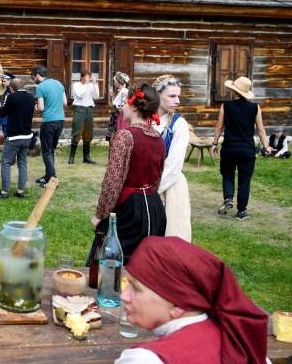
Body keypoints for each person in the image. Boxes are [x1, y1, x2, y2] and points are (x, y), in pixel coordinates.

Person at [116, 236, 269, 364]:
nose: (124, 296)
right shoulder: (241, 343)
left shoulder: (145, 360)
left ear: (178, 305)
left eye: (135, 288)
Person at [93, 84, 166, 263]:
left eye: (125, 102)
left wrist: (100, 216)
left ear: (133, 106)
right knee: (145, 265)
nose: (122, 107)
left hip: (130, 210)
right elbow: (157, 176)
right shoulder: (157, 136)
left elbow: (113, 180)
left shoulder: (125, 136)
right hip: (155, 207)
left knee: (112, 263)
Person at [211, 76, 273, 220]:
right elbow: (261, 129)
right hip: (247, 149)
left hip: (229, 148)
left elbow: (219, 127)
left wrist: (214, 144)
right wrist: (266, 146)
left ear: (234, 91)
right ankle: (241, 211)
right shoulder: (255, 107)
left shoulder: (225, 106)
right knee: (244, 180)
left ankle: (228, 198)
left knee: (228, 175)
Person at [153, 75, 191, 242]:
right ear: (158, 95)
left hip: (169, 185)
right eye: (172, 96)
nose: (177, 101)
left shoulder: (178, 124)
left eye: (178, 96)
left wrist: (152, 191)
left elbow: (174, 164)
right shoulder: (144, 120)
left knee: (168, 235)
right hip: (142, 183)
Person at [0, 77, 36, 199]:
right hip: (27, 135)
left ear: (11, 88)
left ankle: (4, 192)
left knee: (5, 163)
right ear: (23, 86)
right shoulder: (31, 97)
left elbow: (4, 113)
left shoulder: (11, 97)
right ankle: (20, 191)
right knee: (22, 163)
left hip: (14, 137)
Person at [32, 66, 67, 188]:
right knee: (51, 149)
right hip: (60, 121)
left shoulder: (40, 87)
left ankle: (53, 180)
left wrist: (35, 107)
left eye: (34, 76)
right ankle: (47, 176)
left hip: (48, 122)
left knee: (46, 152)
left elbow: (41, 108)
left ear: (37, 75)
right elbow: (65, 103)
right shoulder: (58, 83)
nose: (34, 79)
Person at [69, 69, 99, 164]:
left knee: (88, 133)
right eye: (86, 76)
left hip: (89, 109)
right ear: (82, 77)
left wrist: (95, 84)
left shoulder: (90, 85)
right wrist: (86, 84)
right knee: (77, 132)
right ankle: (71, 157)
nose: (88, 78)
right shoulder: (76, 85)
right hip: (79, 109)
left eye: (89, 76)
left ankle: (86, 157)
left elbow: (96, 96)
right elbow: (80, 94)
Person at [107, 71, 130, 140]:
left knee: (119, 136)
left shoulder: (124, 91)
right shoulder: (121, 91)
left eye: (115, 81)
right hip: (117, 116)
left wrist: (116, 109)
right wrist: (112, 96)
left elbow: (121, 106)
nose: (114, 83)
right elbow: (116, 103)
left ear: (119, 82)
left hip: (120, 117)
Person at [0, 72, 14, 136]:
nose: (3, 83)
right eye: (2, 81)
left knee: (7, 133)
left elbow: (10, 105)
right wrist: (0, 104)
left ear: (10, 80)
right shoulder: (7, 90)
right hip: (4, 114)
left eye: (4, 81)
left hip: (8, 115)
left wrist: (1, 107)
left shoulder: (12, 91)